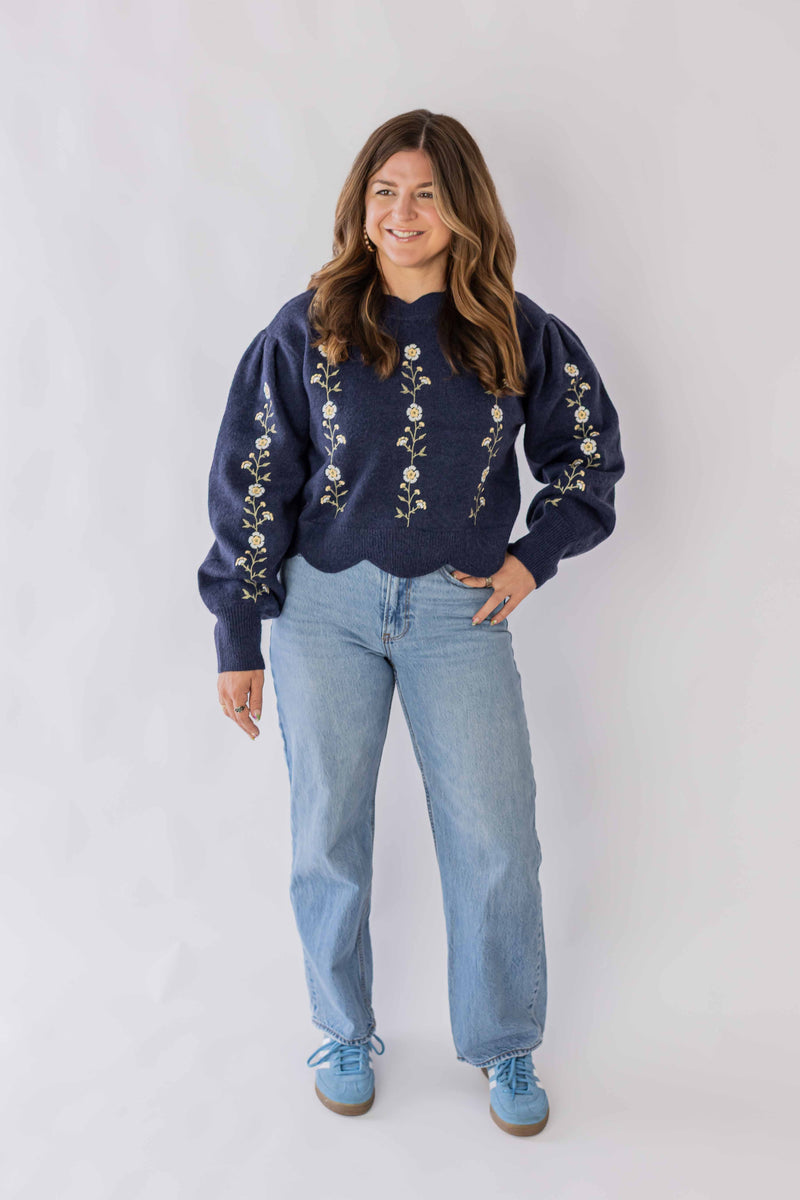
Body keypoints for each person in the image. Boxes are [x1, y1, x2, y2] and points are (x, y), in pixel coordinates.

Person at [197, 108, 625, 1137]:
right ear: (359, 204)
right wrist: (237, 637)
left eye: (426, 193)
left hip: (456, 609)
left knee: (492, 838)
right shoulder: (305, 327)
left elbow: (587, 459)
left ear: (461, 208)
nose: (402, 212)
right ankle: (342, 1029)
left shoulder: (517, 332)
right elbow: (253, 484)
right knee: (326, 833)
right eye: (384, 191)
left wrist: (530, 559)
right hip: (321, 611)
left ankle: (504, 1044)